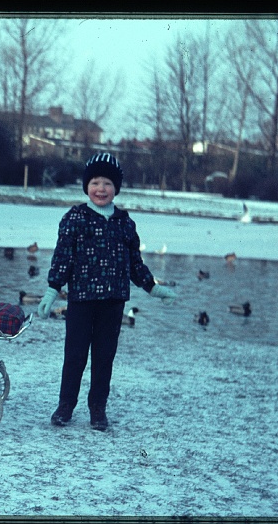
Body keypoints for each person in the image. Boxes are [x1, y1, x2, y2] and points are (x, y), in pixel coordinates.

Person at [37, 152, 176, 431]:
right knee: (75, 355)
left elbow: (135, 264)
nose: (101, 189)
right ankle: (66, 405)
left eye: (108, 184)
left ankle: (97, 407)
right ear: (87, 186)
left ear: (117, 188)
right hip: (81, 300)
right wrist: (53, 289)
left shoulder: (125, 223)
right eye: (96, 183)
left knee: (104, 357)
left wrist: (153, 288)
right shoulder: (75, 218)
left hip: (113, 302)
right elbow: (63, 257)